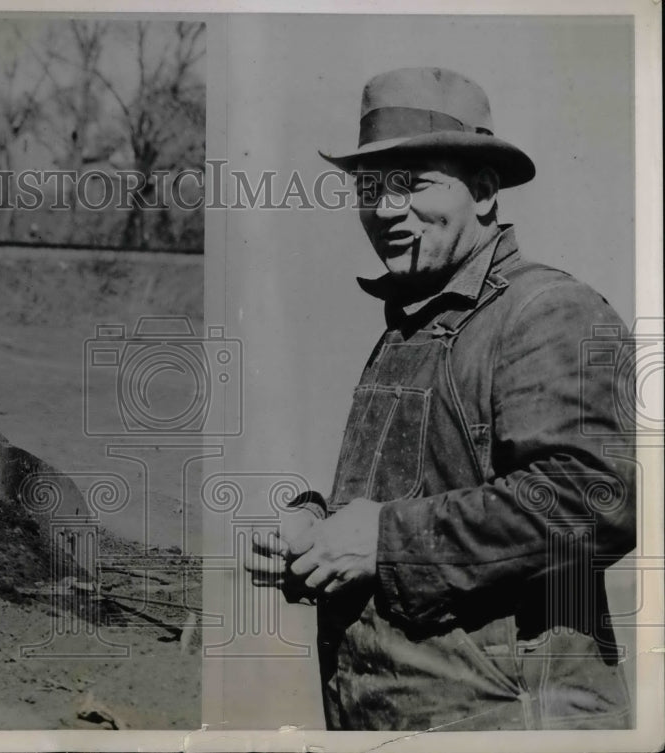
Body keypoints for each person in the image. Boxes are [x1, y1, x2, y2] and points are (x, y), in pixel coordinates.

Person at [246, 68, 635, 730]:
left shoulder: (547, 311)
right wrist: (314, 530)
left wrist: (383, 542)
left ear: (484, 191)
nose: (385, 208)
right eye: (369, 187)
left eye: (413, 183)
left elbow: (595, 497)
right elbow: (417, 496)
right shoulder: (411, 326)